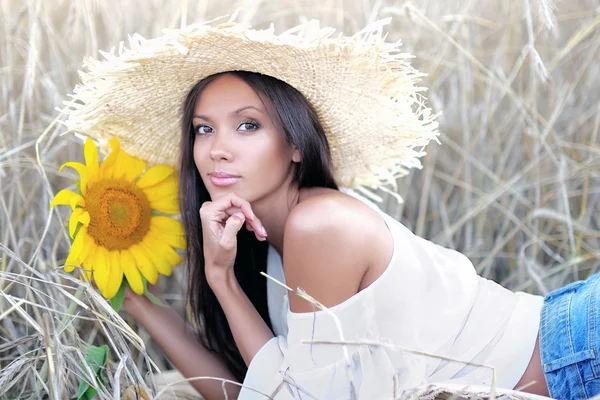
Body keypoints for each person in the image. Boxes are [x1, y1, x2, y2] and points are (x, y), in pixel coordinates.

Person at [64, 17, 598, 400]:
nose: (216, 148)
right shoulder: (270, 249)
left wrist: (222, 283)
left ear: (296, 144)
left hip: (575, 351)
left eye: (247, 125)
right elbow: (254, 387)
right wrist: (138, 303)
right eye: (204, 129)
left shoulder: (319, 225)